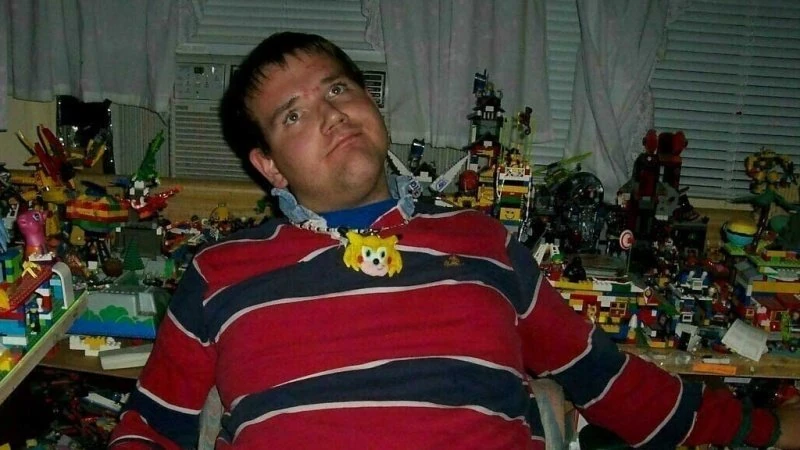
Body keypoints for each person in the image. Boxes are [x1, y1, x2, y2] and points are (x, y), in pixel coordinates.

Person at [109, 32, 800, 449]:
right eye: (293, 116)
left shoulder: (482, 243)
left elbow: (607, 380)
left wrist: (765, 430)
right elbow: (151, 428)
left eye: (339, 89)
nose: (331, 115)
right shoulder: (220, 274)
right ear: (268, 166)